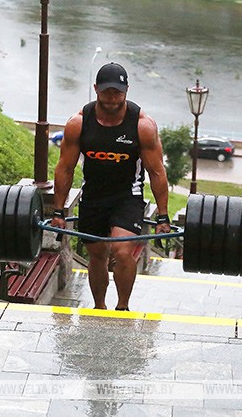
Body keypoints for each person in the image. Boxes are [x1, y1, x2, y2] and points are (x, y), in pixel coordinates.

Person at [50, 62, 171, 311]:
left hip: (128, 195)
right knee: (97, 255)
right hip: (93, 195)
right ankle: (100, 307)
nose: (112, 97)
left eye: (117, 92)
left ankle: (122, 308)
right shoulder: (78, 123)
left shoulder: (142, 126)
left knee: (123, 251)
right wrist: (58, 212)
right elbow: (65, 168)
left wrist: (163, 215)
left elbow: (157, 172)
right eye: (107, 91)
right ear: (96, 89)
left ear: (126, 90)